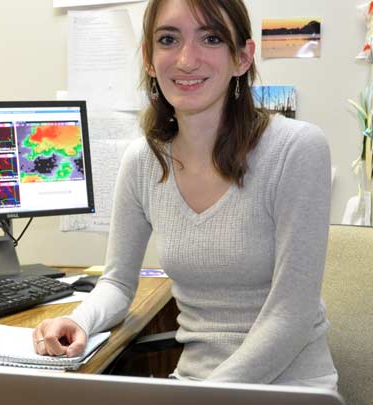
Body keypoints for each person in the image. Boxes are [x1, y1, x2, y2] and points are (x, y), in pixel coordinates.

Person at [33, 0, 338, 390]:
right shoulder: (143, 161)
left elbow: (290, 316)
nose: (186, 59)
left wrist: (200, 396)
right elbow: (118, 283)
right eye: (168, 39)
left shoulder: (296, 149)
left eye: (211, 38)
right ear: (148, 57)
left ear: (242, 57)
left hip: (292, 389)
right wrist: (79, 320)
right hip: (193, 384)